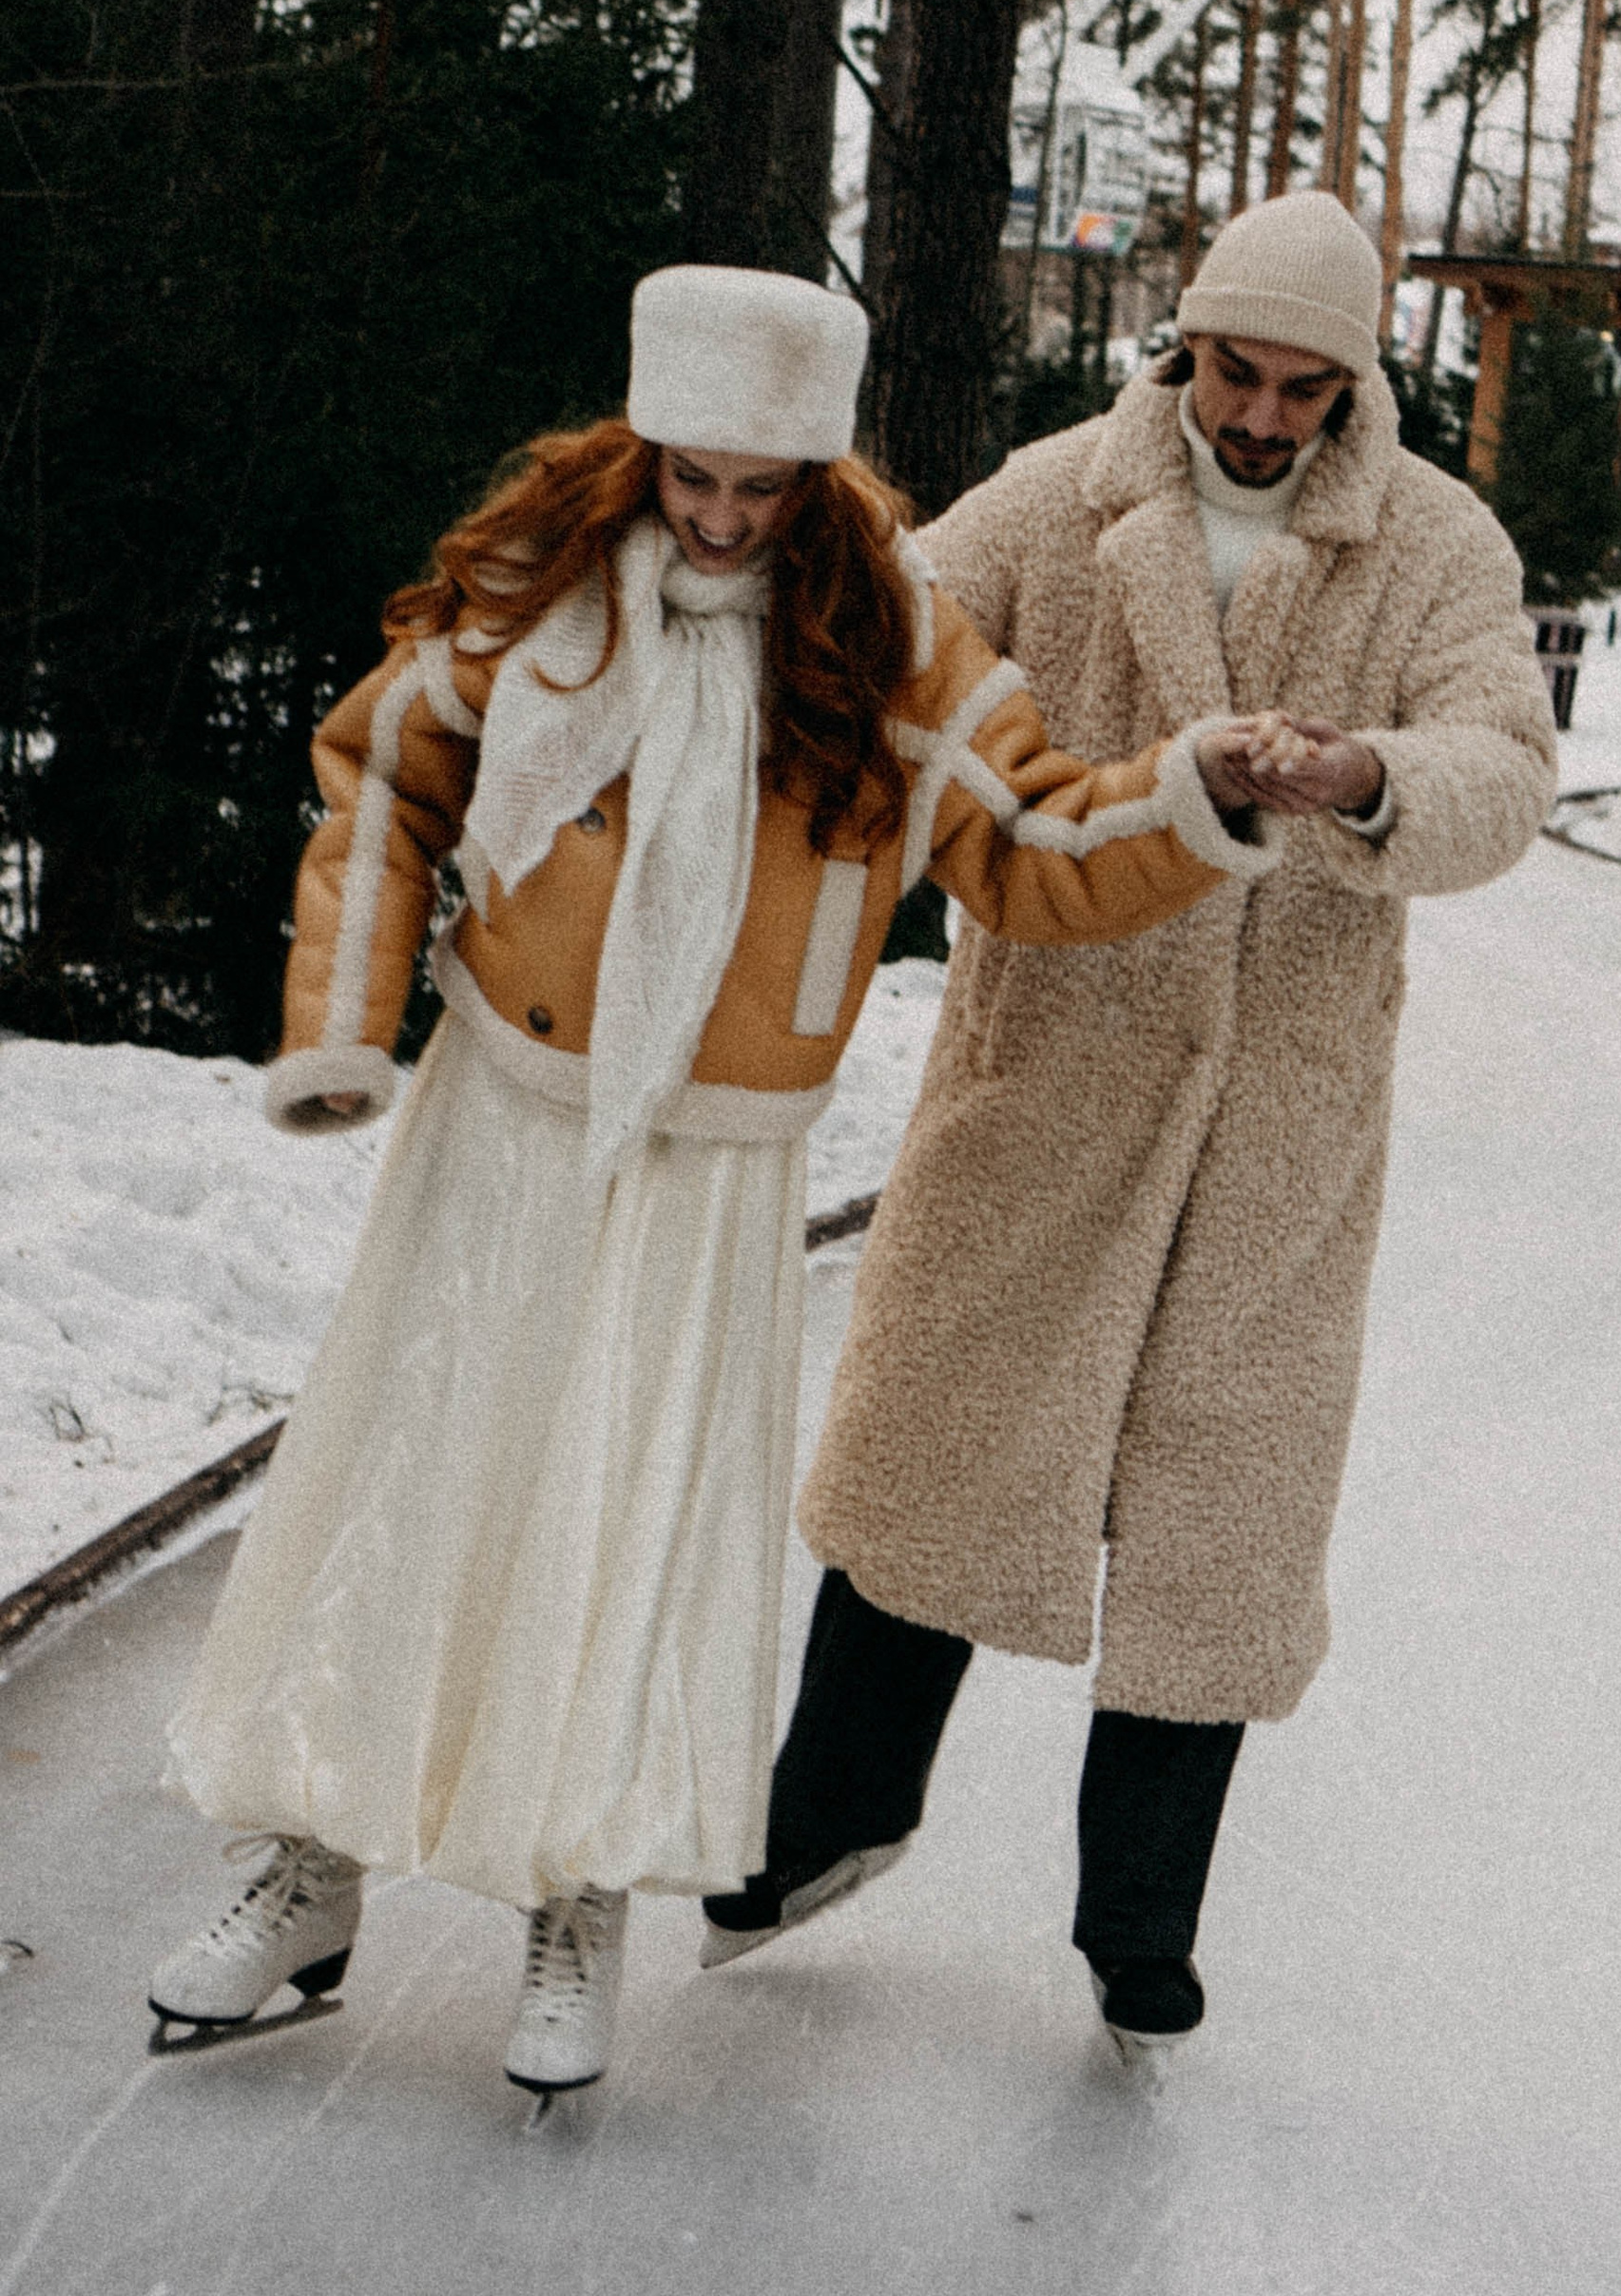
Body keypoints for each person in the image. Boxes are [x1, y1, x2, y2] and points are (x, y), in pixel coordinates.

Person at [147, 265, 1304, 2103]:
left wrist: (1200, 790)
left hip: (715, 1163)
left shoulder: (891, 643)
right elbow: (383, 776)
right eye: (695, 478)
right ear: (644, 448)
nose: (722, 518)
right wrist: (345, 1025)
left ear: (817, 482)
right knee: (418, 1468)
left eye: (764, 489)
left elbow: (1036, 840)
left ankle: (578, 1892)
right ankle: (308, 1870)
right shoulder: (540, 597)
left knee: (642, 1513)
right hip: (507, 1114)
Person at [701, 192, 1558, 2065]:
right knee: (934, 1439)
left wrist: (1359, 779)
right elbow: (898, 629)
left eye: (1300, 388)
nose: (1257, 417)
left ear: (1356, 381)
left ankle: (1138, 1919)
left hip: (1277, 1106)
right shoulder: (1068, 493)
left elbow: (1503, 768)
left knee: (1214, 1520)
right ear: (1182, 345)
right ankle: (820, 1816)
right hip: (1054, 1055)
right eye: (1233, 374)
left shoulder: (1431, 545)